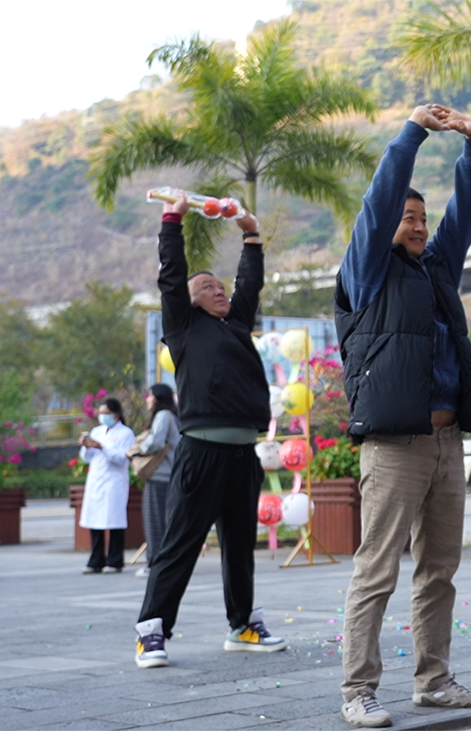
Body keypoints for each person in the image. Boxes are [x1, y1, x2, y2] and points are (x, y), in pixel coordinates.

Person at [335, 104, 471, 728]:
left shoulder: (436, 270)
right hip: (395, 445)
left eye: (423, 218)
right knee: (377, 570)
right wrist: (413, 134)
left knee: (439, 571)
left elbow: (465, 217)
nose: (419, 225)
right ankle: (358, 689)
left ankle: (434, 680)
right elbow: (378, 203)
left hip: (447, 440)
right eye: (408, 216)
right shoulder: (366, 272)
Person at [134, 192, 284, 669]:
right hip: (200, 453)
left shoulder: (237, 326)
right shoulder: (183, 328)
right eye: (209, 287)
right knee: (180, 545)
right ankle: (151, 632)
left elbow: (250, 283)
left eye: (222, 286)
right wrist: (172, 219)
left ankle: (242, 626)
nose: (220, 290)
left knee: (240, 547)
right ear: (191, 302)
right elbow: (171, 277)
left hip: (243, 455)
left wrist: (251, 233)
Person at [79, 398, 136, 574]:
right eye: (100, 413)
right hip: (96, 480)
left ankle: (115, 560)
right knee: (95, 520)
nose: (102, 417)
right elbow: (86, 458)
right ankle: (96, 559)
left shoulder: (126, 433)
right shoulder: (97, 431)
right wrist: (87, 446)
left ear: (116, 414)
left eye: (106, 413)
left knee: (114, 521)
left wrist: (102, 447)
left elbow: (121, 458)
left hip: (114, 482)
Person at [136, 384, 181, 578]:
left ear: (158, 398)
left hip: (160, 476)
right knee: (166, 522)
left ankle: (154, 563)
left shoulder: (163, 416)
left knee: (154, 522)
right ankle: (166, 562)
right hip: (171, 476)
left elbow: (156, 442)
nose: (147, 399)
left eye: (150, 396)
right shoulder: (174, 416)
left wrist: (139, 448)